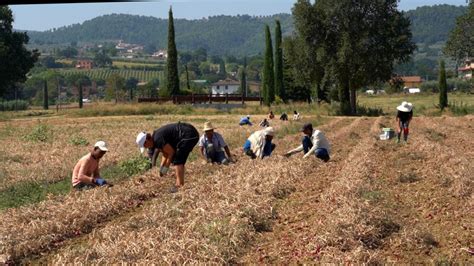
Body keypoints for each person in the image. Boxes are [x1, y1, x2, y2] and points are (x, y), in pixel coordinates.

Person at [136, 122, 199, 193]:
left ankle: (179, 185)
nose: (146, 148)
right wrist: (161, 169)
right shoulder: (156, 139)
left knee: (178, 161)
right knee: (178, 159)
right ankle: (179, 184)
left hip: (188, 135)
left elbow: (171, 153)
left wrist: (165, 168)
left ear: (146, 141)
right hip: (189, 133)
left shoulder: (157, 139)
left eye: (145, 146)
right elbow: (165, 154)